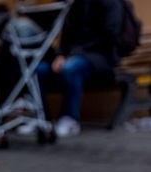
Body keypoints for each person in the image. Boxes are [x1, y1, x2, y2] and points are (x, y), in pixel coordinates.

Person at [36, 0, 123, 137]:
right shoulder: (75, 5)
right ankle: (42, 119)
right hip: (73, 55)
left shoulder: (110, 3)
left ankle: (69, 118)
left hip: (100, 58)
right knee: (38, 70)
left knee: (71, 67)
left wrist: (72, 55)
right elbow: (65, 38)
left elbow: (110, 36)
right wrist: (59, 56)